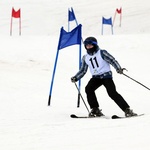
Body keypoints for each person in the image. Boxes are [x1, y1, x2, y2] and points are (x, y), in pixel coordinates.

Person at [71, 36, 137, 117]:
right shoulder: (85, 57)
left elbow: (112, 60)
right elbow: (83, 70)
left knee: (112, 93)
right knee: (88, 89)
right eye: (87, 45)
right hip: (96, 77)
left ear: (94, 45)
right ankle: (95, 110)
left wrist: (118, 68)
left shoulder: (102, 53)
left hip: (106, 76)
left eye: (90, 45)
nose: (88, 47)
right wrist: (76, 77)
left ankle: (127, 110)